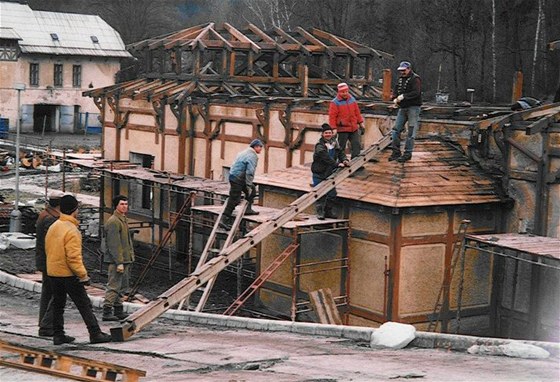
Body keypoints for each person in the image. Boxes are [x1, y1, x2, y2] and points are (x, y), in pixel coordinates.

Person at [46, 194, 111, 345]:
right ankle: (95, 333)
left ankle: (58, 334)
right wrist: (83, 275)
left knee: (58, 304)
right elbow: (73, 258)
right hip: (68, 274)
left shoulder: (54, 226)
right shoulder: (72, 230)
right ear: (75, 210)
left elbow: (48, 249)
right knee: (84, 304)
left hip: (53, 272)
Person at [35, 191, 63, 337]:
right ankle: (47, 325)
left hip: (45, 260)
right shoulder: (51, 219)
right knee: (54, 293)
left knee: (47, 292)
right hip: (50, 261)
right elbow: (52, 243)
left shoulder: (44, 214)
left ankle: (44, 322)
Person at [102, 195, 134, 322]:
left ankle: (118, 309)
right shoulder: (114, 221)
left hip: (125, 259)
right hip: (117, 261)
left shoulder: (122, 219)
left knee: (122, 287)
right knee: (114, 286)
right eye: (122, 204)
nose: (124, 206)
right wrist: (119, 262)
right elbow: (114, 244)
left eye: (126, 204)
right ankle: (107, 310)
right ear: (116, 205)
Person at [219, 139, 264, 230]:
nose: (261, 149)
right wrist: (248, 185)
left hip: (235, 176)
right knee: (235, 198)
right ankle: (224, 219)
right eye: (260, 147)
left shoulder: (243, 152)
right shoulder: (252, 155)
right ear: (255, 147)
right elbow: (250, 172)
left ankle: (248, 209)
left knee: (252, 191)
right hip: (238, 178)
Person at [311, 123, 349, 220]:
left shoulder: (334, 143)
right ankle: (319, 212)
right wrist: (337, 164)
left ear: (332, 134)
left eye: (330, 133)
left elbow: (340, 152)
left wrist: (344, 160)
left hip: (329, 173)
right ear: (322, 134)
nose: (328, 134)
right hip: (319, 173)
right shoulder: (319, 146)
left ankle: (328, 211)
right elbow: (326, 158)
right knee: (320, 193)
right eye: (326, 133)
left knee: (332, 194)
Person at [388, 61, 422, 163]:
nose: (402, 72)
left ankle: (407, 153)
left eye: (404, 70)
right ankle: (396, 152)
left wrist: (403, 96)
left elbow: (416, 92)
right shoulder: (400, 79)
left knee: (410, 132)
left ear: (409, 69)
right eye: (401, 71)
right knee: (396, 130)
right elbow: (396, 90)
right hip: (403, 108)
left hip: (413, 108)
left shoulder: (415, 79)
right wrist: (394, 98)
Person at [329, 82, 365, 160]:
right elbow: (332, 117)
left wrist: (361, 122)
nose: (345, 93)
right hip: (342, 129)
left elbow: (357, 112)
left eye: (346, 91)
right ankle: (338, 162)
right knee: (341, 147)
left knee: (356, 145)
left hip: (353, 128)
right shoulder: (334, 103)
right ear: (339, 92)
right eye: (343, 92)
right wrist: (333, 128)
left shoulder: (352, 99)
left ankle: (355, 162)